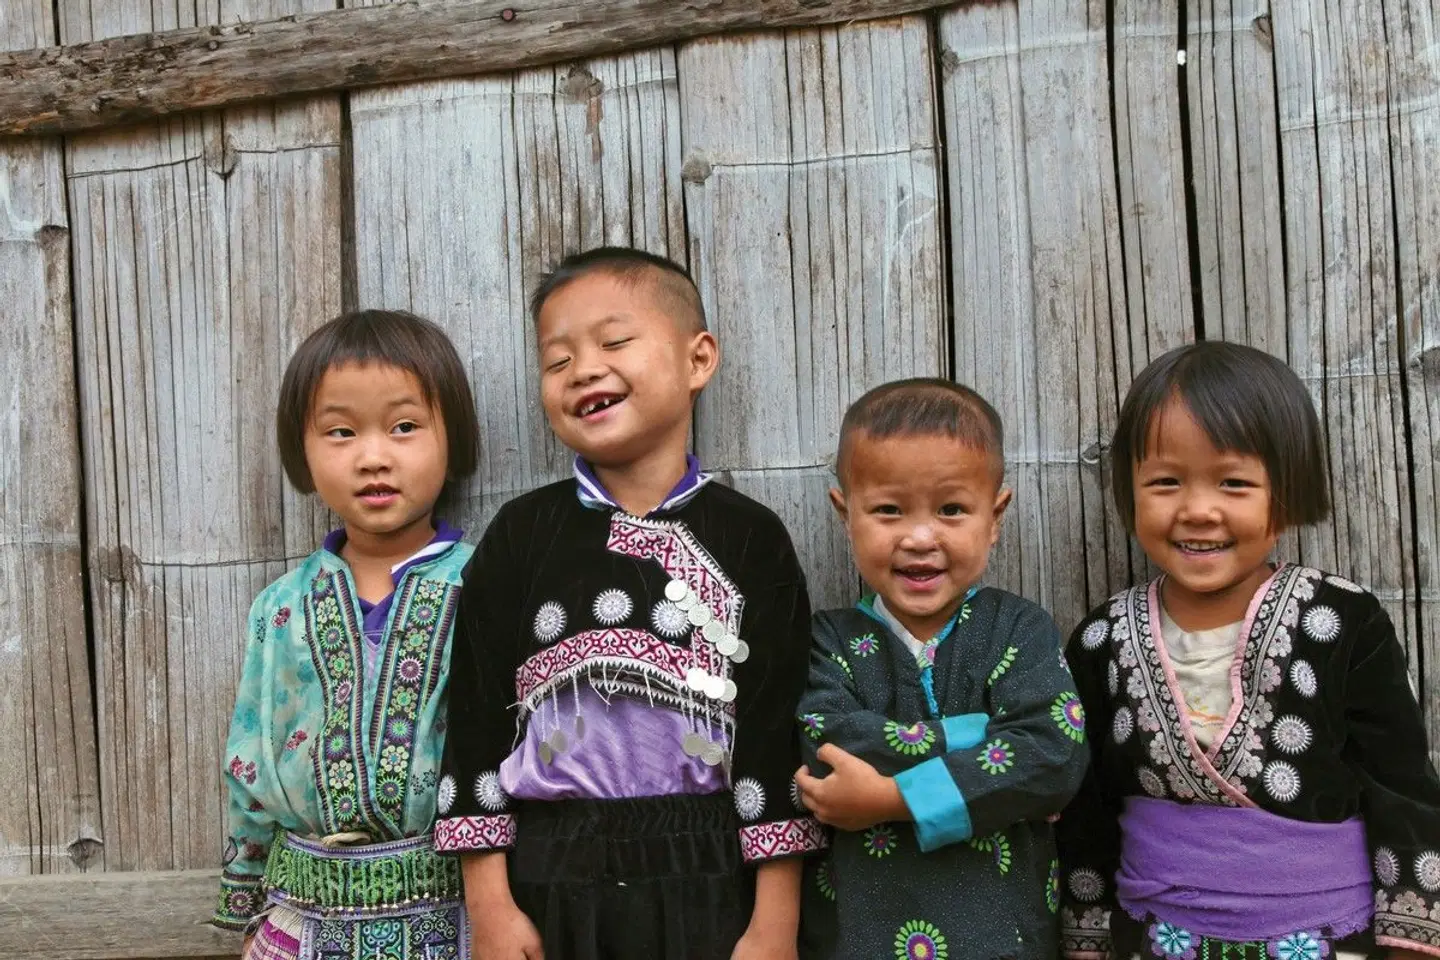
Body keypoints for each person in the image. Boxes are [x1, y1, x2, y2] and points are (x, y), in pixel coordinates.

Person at [435, 247, 824, 960]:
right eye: (558, 362)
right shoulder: (523, 535)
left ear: (697, 359)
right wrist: (489, 904)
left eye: (614, 343)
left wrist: (774, 923)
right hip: (550, 871)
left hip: (710, 869)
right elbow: (473, 722)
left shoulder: (751, 539)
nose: (584, 369)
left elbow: (776, 733)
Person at [1058, 341, 1440, 959]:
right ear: (1129, 492)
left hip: (1327, 936)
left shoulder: (1344, 620)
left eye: (1233, 482)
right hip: (1153, 935)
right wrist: (1087, 934)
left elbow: (1399, 782)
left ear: (1286, 493)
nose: (1198, 510)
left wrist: (1414, 942)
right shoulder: (1102, 638)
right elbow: (1087, 805)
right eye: (1165, 482)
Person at [212, 309, 481, 960]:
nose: (373, 457)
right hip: (300, 923)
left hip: (456, 924)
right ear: (301, 452)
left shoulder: (488, 591)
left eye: (405, 427)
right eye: (340, 431)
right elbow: (249, 759)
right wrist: (243, 903)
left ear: (456, 442)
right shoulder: (281, 609)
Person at [794, 378, 1090, 959]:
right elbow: (827, 742)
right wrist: (984, 734)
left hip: (1003, 939)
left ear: (995, 514)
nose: (920, 537)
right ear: (845, 513)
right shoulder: (827, 641)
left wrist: (889, 801)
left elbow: (1055, 755)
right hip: (861, 938)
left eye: (952, 509)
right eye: (888, 510)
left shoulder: (1018, 629)